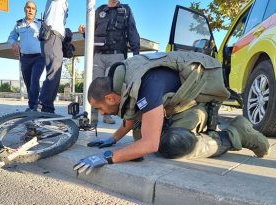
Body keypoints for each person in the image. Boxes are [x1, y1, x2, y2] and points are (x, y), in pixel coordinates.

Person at [74, 51, 270, 175]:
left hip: (195, 107)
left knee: (172, 144)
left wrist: (109, 157)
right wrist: (114, 139)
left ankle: (235, 133)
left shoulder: (146, 84)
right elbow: (133, 112)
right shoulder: (124, 78)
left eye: (98, 108)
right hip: (175, 107)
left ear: (110, 98)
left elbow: (150, 145)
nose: (99, 113)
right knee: (139, 133)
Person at [78, 0, 140, 124]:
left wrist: (136, 54)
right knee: (94, 84)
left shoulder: (125, 10)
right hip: (98, 55)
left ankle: (107, 114)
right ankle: (92, 113)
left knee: (112, 86)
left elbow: (132, 31)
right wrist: (84, 32)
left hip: (117, 55)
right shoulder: (100, 10)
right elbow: (90, 32)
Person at [7, 1, 44, 112]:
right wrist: (13, 43)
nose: (30, 10)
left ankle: (35, 106)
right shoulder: (19, 24)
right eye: (28, 8)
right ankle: (32, 105)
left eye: (33, 8)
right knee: (28, 82)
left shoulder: (41, 23)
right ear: (25, 9)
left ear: (36, 11)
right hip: (25, 58)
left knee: (34, 79)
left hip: (39, 57)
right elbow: (11, 37)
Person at [39, 0, 69, 113]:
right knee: (53, 73)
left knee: (54, 74)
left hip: (56, 37)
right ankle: (43, 107)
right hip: (52, 35)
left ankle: (47, 109)